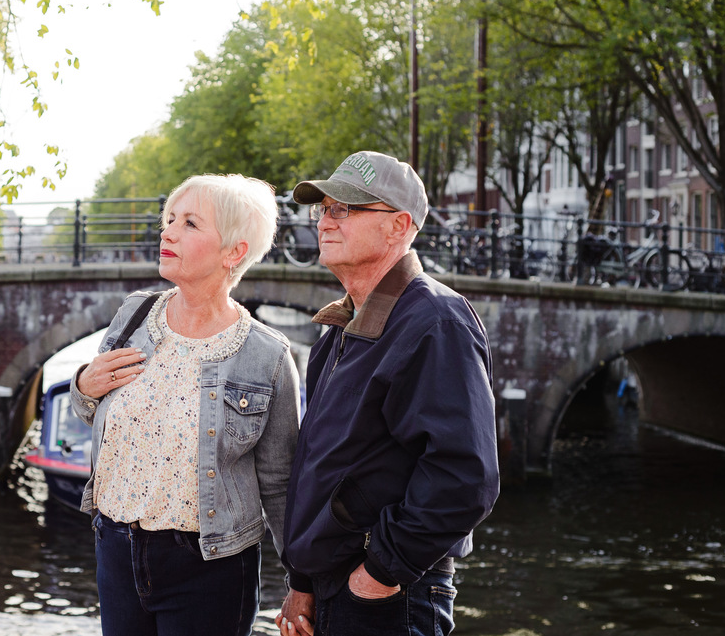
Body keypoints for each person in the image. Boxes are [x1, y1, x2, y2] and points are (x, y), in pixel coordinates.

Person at [277, 151, 500, 636]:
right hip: (341, 585)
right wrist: (305, 579)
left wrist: (378, 574)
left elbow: (464, 477)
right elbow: (325, 464)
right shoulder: (340, 329)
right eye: (323, 209)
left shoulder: (435, 322)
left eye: (345, 209)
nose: (324, 222)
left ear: (398, 226)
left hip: (390, 595)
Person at [71, 174, 304, 636]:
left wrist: (303, 582)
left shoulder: (267, 356)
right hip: (116, 549)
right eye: (170, 219)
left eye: (190, 223)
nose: (169, 232)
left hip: (209, 568)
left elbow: (280, 484)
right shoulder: (134, 315)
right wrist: (83, 385)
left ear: (233, 252)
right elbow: (91, 410)